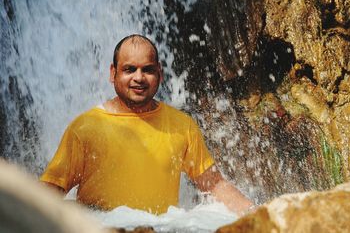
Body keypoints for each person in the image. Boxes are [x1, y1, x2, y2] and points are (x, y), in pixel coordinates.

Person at [40, 34, 254, 215]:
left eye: (148, 69)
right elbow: (50, 193)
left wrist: (260, 217)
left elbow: (215, 185)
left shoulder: (182, 126)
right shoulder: (85, 128)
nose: (139, 78)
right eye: (129, 69)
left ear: (159, 73)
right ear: (113, 73)